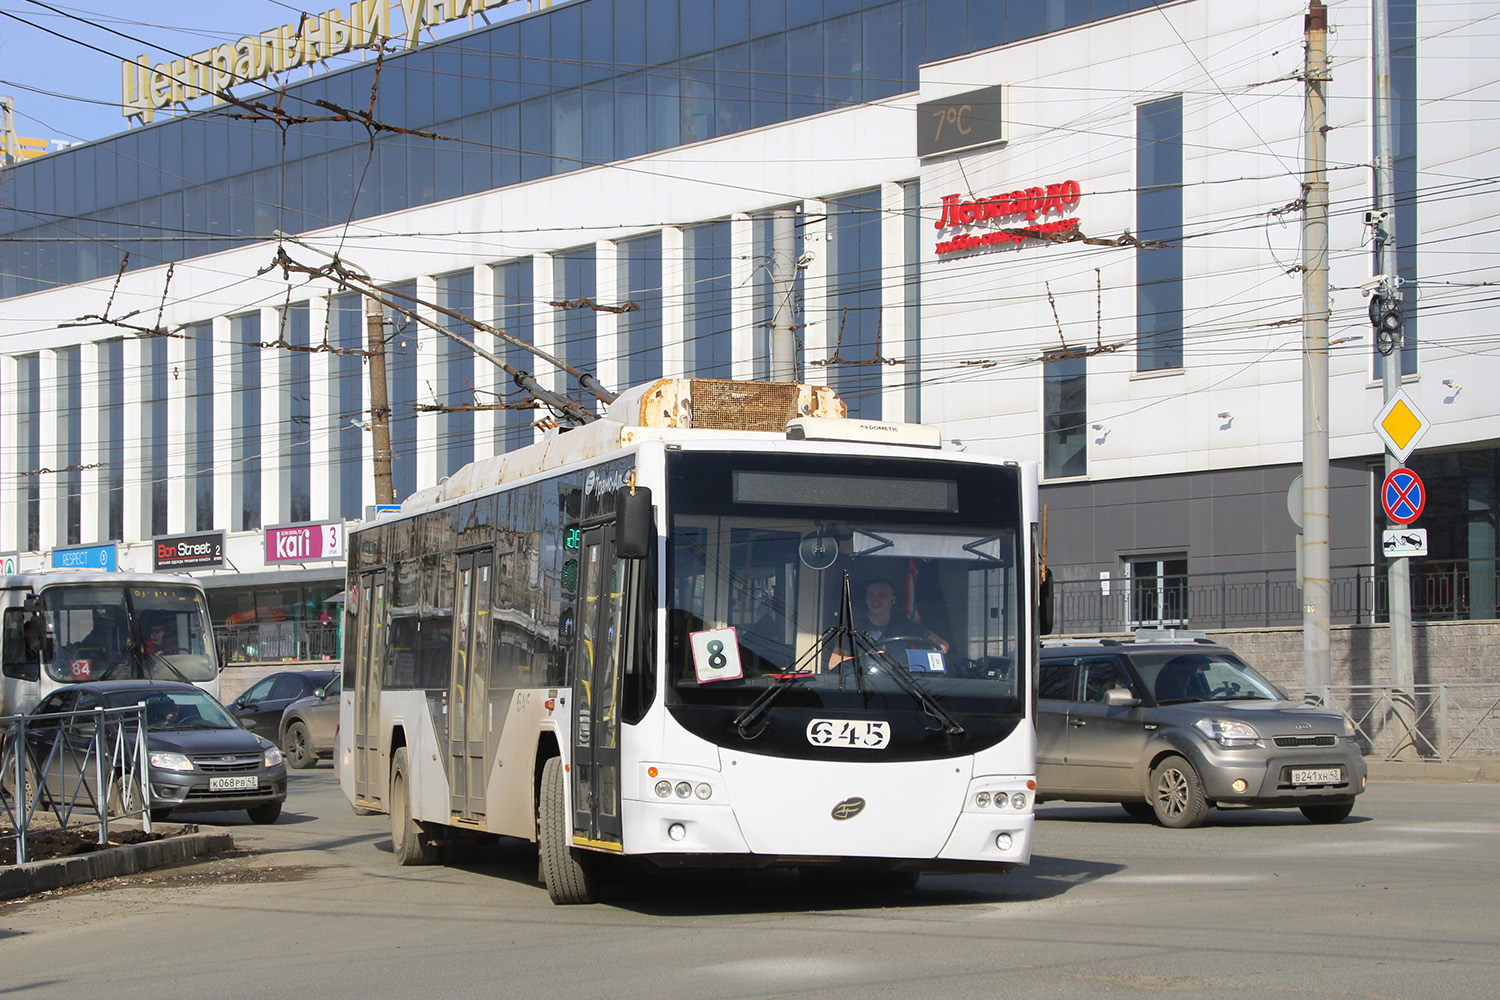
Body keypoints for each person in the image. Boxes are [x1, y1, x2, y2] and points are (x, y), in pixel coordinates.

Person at [828, 578, 948, 668]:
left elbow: (942, 645)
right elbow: (834, 663)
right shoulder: (853, 628)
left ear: (893, 600)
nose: (876, 599)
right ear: (866, 600)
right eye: (871, 595)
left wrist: (911, 660)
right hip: (865, 686)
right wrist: (869, 660)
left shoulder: (905, 625)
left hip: (900, 685)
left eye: (882, 595)